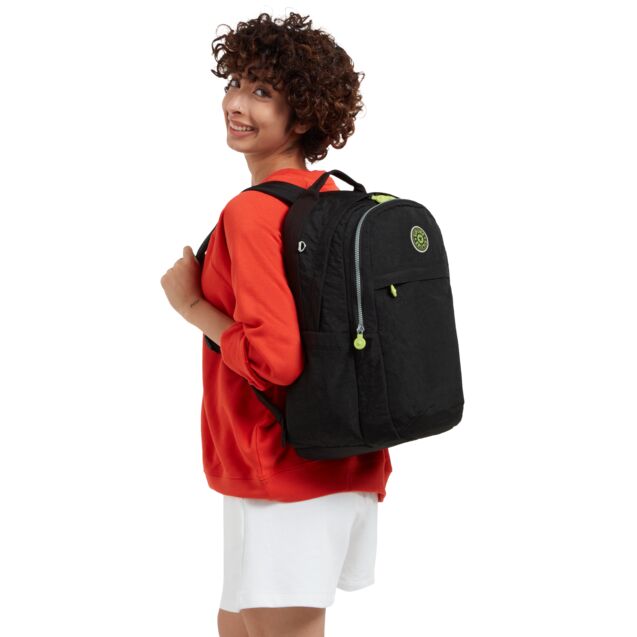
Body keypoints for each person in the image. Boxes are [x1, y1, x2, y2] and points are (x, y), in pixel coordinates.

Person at [160, 11, 392, 637]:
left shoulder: (253, 213)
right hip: (328, 457)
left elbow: (277, 358)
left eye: (262, 91)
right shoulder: (333, 199)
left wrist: (191, 306)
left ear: (305, 114)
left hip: (282, 467)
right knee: (237, 625)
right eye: (235, 81)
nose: (236, 103)